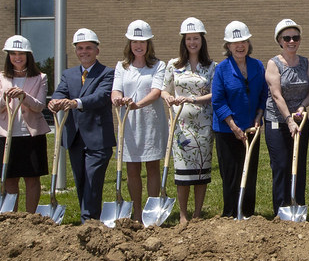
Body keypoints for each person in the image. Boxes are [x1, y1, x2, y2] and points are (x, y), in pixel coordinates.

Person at [48, 28, 115, 223]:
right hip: (75, 137)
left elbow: (101, 97)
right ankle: (88, 218)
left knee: (93, 180)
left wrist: (75, 103)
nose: (84, 52)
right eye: (80, 48)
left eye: (88, 48)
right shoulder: (69, 74)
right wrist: (56, 101)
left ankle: (89, 220)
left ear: (97, 50)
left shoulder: (107, 73)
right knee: (81, 180)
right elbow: (61, 91)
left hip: (98, 138)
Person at [111, 20, 167, 224]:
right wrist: (118, 99)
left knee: (152, 167)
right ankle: (136, 212)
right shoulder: (121, 66)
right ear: (129, 43)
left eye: (142, 41)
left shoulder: (158, 65)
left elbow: (156, 92)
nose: (138, 45)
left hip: (150, 121)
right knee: (132, 169)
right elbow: (116, 89)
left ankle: (151, 213)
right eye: (135, 41)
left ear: (148, 43)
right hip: (129, 123)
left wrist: (137, 104)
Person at [161, 17, 215, 225]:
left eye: (196, 38)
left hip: (203, 125)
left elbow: (214, 94)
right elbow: (165, 90)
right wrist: (169, 98)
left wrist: (192, 98)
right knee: (182, 172)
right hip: (180, 126)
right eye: (189, 39)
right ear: (183, 41)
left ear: (202, 41)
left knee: (201, 169)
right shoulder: (173, 65)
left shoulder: (211, 67)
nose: (193, 42)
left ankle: (197, 214)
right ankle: (183, 215)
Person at [211, 21, 267, 217]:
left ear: (248, 43)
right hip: (227, 131)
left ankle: (248, 213)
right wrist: (234, 127)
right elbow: (218, 101)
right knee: (232, 174)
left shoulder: (257, 66)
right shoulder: (222, 69)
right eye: (235, 43)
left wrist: (259, 117)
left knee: (249, 172)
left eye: (243, 41)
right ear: (228, 46)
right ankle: (231, 214)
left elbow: (263, 95)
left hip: (252, 128)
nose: (240, 45)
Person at [0, 35, 50, 213]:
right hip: (7, 134)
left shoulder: (40, 77)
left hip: (31, 135)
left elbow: (40, 106)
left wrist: (24, 96)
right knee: (10, 179)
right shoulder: (0, 77)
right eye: (13, 54)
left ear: (29, 56)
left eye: (21, 54)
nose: (17, 57)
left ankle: (30, 217)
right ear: (8, 56)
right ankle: (13, 217)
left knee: (32, 179)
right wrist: (4, 97)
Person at [265, 18, 309, 213]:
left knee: (298, 164)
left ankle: (297, 205)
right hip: (277, 121)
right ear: (279, 40)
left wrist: (302, 107)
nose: (291, 41)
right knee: (281, 165)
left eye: (295, 37)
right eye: (287, 38)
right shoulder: (273, 63)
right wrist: (288, 120)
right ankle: (280, 208)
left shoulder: (304, 62)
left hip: (300, 121)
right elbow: (276, 94)